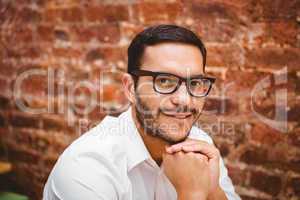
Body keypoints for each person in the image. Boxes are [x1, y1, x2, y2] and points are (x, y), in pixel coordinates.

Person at [43, 24, 241, 200]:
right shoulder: (86, 167)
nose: (185, 100)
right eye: (164, 81)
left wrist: (213, 190)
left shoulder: (202, 146)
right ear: (130, 88)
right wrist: (193, 193)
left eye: (195, 83)